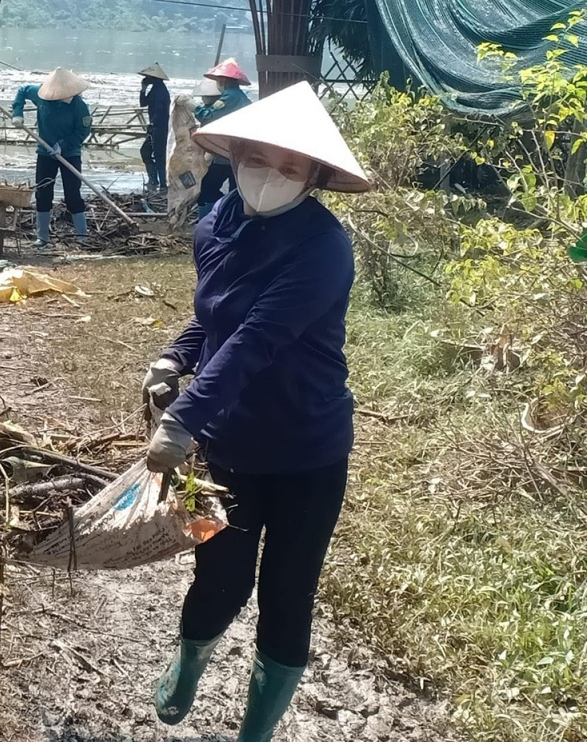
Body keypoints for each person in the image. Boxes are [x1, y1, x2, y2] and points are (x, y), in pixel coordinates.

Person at [141, 81, 371, 741]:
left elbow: (257, 339)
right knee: (217, 575)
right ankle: (190, 662)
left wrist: (181, 419)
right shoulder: (215, 224)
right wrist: (172, 357)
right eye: (260, 159)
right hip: (226, 451)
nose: (271, 175)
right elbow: (216, 316)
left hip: (308, 452)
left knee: (287, 596)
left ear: (314, 178)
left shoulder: (323, 248)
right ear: (236, 154)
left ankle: (256, 732)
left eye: (291, 167)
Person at [11, 68, 93, 246]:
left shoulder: (79, 106)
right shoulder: (41, 95)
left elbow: (83, 130)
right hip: (45, 153)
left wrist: (63, 145)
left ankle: (82, 237)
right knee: (43, 193)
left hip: (70, 154)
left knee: (72, 194)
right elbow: (22, 91)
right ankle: (42, 237)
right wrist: (17, 113)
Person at [194, 58, 252, 219]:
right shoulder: (241, 98)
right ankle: (232, 218)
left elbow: (209, 116)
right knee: (236, 190)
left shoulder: (229, 97)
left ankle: (209, 219)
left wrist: (194, 107)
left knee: (207, 187)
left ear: (223, 80)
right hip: (241, 152)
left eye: (219, 80)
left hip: (227, 154)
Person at [139, 63, 172, 194]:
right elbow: (143, 103)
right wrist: (143, 89)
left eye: (148, 77)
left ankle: (162, 184)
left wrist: (153, 125)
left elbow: (159, 110)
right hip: (156, 126)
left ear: (154, 78)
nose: (146, 78)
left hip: (160, 127)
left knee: (159, 155)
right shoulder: (155, 89)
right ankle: (154, 180)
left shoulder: (161, 91)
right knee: (146, 152)